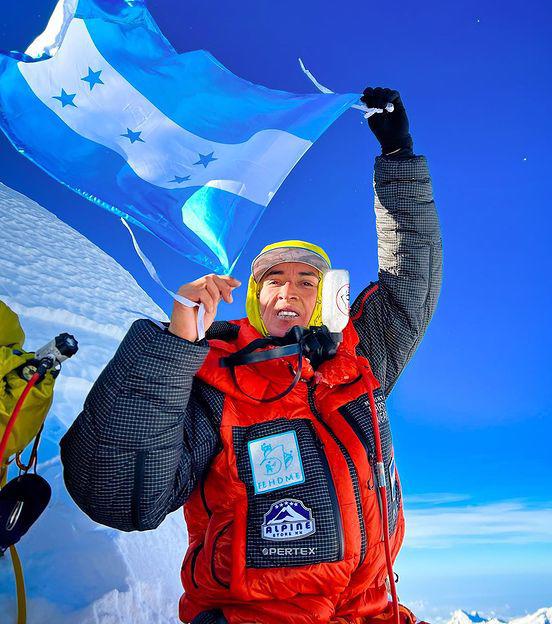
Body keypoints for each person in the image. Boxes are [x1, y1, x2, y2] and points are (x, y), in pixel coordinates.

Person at [60, 87, 443, 624]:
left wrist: (399, 162)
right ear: (254, 298)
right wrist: (174, 349)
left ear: (322, 296)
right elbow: (119, 495)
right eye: (274, 281)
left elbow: (412, 288)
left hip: (375, 612)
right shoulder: (212, 375)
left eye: (306, 280)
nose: (290, 291)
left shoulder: (357, 361)